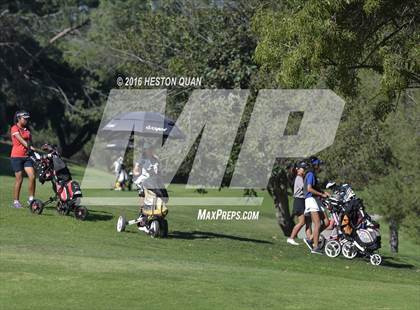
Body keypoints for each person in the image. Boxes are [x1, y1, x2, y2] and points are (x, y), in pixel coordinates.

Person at [133, 142, 168, 226]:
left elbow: (158, 171)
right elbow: (136, 169)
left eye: (151, 149)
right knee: (142, 193)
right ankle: (142, 212)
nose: (150, 151)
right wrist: (137, 172)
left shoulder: (156, 159)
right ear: (145, 150)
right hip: (143, 180)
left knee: (160, 195)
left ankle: (156, 212)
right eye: (148, 149)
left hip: (154, 181)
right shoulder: (141, 159)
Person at [9, 111, 36, 208]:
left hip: (27, 157)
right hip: (16, 157)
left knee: (32, 176)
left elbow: (30, 142)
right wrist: (30, 147)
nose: (26, 120)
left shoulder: (27, 130)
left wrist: (32, 149)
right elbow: (20, 140)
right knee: (19, 180)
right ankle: (16, 202)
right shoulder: (14, 128)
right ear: (18, 119)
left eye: (27, 119)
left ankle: (31, 200)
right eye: (25, 118)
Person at [303, 156, 329, 254]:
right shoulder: (310, 174)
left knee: (326, 222)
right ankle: (315, 247)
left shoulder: (313, 174)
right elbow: (309, 189)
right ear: (315, 165)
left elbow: (315, 188)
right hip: (311, 199)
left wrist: (324, 192)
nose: (319, 166)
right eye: (318, 164)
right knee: (317, 223)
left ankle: (311, 238)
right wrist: (321, 194)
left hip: (316, 199)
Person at [287, 161, 312, 245]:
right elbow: (304, 189)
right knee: (302, 222)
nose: (304, 170)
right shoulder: (299, 178)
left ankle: (310, 240)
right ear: (298, 169)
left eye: (305, 168)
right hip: (299, 201)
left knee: (308, 222)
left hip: (302, 201)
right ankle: (291, 238)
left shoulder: (301, 178)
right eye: (303, 168)